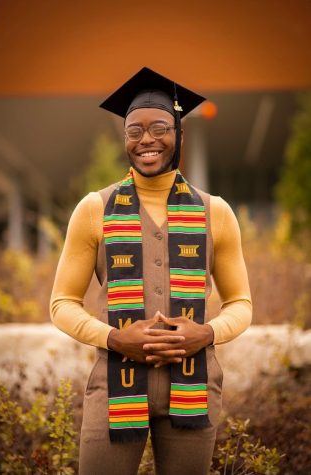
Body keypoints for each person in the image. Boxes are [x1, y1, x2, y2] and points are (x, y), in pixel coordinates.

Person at [50, 67, 252, 475]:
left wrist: (206, 333)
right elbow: (61, 304)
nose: (146, 140)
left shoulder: (216, 213)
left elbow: (241, 304)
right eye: (133, 130)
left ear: (179, 134)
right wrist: (114, 338)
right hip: (114, 388)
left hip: (193, 388)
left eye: (159, 127)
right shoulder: (95, 209)